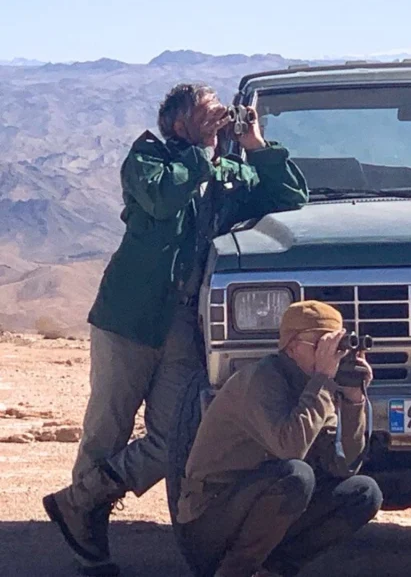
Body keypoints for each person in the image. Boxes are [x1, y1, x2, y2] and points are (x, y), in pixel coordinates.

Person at [43, 83, 309, 576]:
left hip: (183, 325)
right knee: (107, 428)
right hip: (129, 316)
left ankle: (80, 501)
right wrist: (203, 155)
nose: (219, 116)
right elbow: (163, 200)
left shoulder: (228, 173)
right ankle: (89, 541)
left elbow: (291, 198)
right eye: (208, 112)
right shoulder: (149, 159)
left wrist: (254, 146)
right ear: (180, 124)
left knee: (173, 438)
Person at [176, 300, 382, 577]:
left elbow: (343, 465)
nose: (331, 355)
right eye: (321, 345)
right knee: (296, 475)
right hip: (210, 518)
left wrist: (354, 400)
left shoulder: (315, 387)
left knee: (364, 492)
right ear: (292, 346)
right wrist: (322, 380)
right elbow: (290, 448)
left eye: (336, 347)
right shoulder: (262, 379)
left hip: (257, 515)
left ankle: (274, 571)